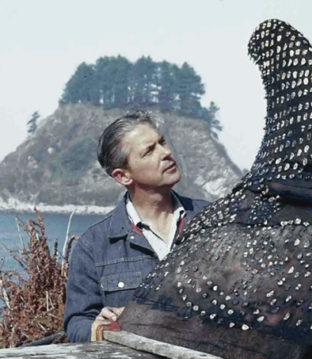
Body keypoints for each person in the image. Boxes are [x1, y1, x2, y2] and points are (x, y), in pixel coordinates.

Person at [63, 111, 209, 342]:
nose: (167, 152)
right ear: (123, 176)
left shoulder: (214, 222)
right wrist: (103, 328)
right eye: (149, 151)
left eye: (162, 142)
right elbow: (76, 323)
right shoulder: (94, 245)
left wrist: (141, 320)